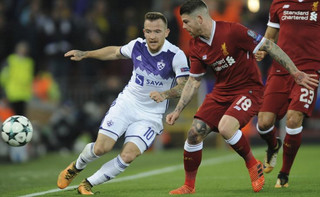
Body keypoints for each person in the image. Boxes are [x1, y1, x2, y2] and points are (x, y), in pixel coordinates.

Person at [165, 0, 318, 194]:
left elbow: (269, 46)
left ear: (200, 19)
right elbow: (194, 81)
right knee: (194, 133)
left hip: (248, 90)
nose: (184, 27)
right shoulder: (195, 46)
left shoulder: (233, 31)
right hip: (221, 92)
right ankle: (189, 185)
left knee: (226, 127)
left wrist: (295, 72)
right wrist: (177, 110)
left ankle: (253, 166)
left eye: (186, 22)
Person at [56, 12, 189, 195]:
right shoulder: (137, 46)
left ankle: (87, 184)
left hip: (151, 115)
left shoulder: (176, 55)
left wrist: (165, 94)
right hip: (127, 104)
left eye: (157, 31)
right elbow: (114, 52)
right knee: (102, 148)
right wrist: (86, 54)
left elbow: (184, 86)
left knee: (128, 155)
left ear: (166, 32)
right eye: (148, 31)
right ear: (144, 31)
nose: (152, 36)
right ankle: (75, 167)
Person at [255, 0, 320, 188]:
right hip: (280, 69)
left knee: (293, 119)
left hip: (308, 70)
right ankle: (273, 146)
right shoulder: (278, 3)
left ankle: (284, 174)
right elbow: (270, 37)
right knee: (264, 123)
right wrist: (263, 51)